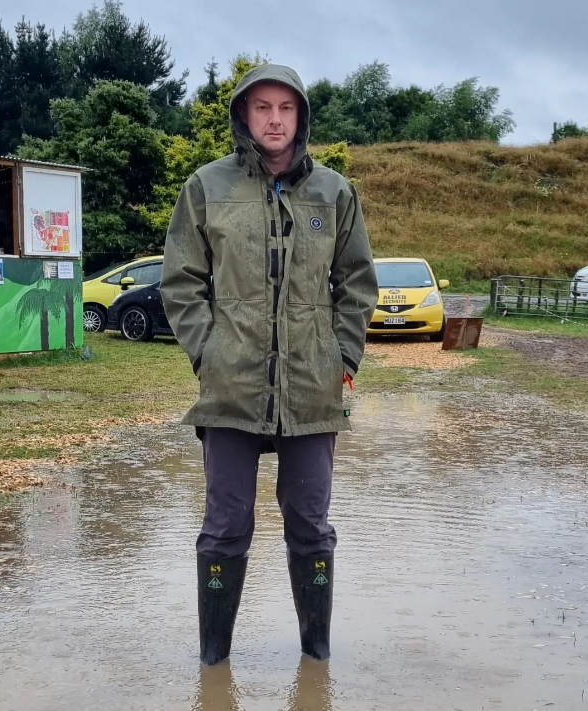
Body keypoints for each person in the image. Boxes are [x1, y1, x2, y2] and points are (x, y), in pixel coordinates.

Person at [161, 64, 378, 665]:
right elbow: (181, 282)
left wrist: (343, 356)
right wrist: (208, 354)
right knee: (225, 526)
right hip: (230, 388)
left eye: (286, 108)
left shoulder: (335, 193)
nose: (275, 119)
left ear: (301, 115)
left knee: (311, 526)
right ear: (244, 115)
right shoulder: (207, 186)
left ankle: (316, 656)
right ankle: (214, 659)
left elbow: (357, 283)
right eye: (262, 108)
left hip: (312, 390)